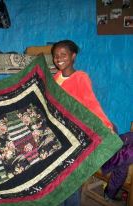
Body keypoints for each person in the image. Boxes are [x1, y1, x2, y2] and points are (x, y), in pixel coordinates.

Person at [51, 40, 114, 205]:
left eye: (63, 55)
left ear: (73, 56)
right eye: (55, 56)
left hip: (75, 137)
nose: (58, 59)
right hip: (59, 137)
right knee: (57, 181)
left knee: (71, 181)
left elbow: (91, 103)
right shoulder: (56, 78)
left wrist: (106, 124)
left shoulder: (80, 77)